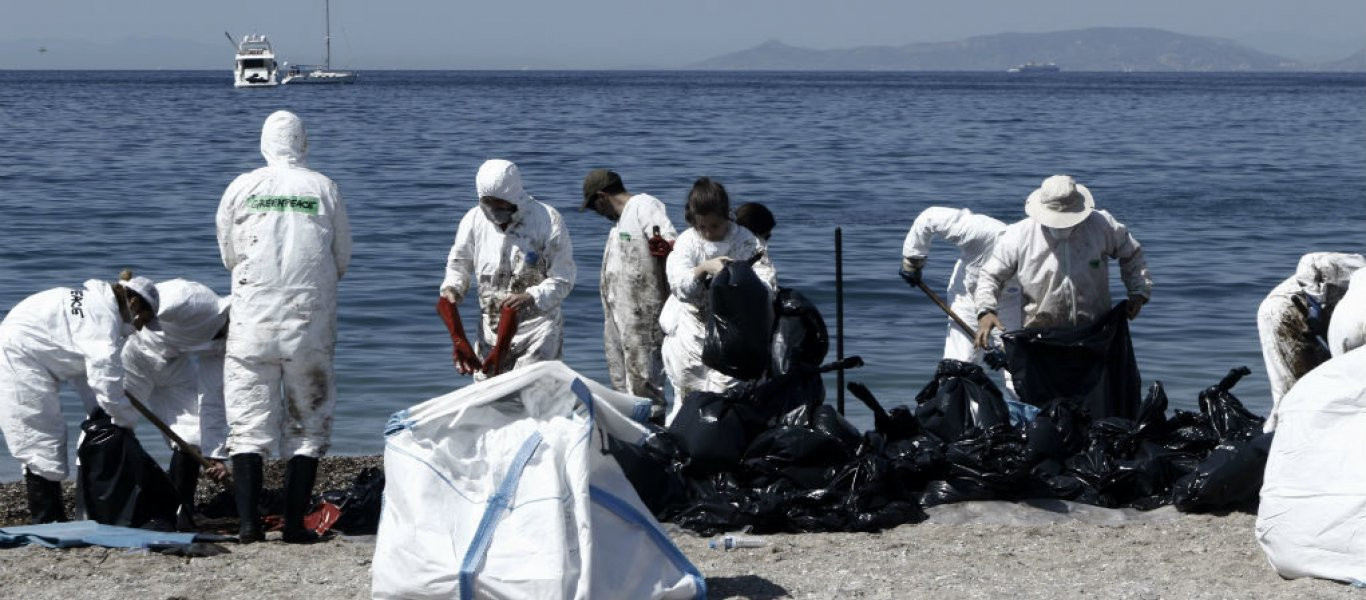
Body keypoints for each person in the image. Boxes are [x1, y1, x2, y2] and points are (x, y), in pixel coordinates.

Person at [216, 110, 351, 544]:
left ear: (264, 143)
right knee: (308, 426)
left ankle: (249, 526)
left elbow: (228, 254)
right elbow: (341, 256)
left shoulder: (242, 187)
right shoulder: (324, 188)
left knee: (247, 426)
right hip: (308, 325)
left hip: (251, 323)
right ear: (303, 142)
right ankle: (294, 525)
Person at [0, 275, 158, 523]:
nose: (138, 328)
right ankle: (47, 519)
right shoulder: (102, 320)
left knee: (49, 436)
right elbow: (104, 375)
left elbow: (88, 376)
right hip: (19, 356)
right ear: (134, 303)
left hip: (41, 355)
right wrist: (125, 419)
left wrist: (103, 414)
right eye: (143, 320)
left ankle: (52, 519)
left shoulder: (96, 307)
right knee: (39, 438)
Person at [974, 175, 1152, 346]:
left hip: (1096, 331)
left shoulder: (1102, 225)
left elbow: (1132, 254)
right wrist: (986, 310)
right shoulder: (1019, 235)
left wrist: (1138, 291)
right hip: (1040, 334)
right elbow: (990, 275)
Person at [441, 159, 575, 379]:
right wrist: (452, 289)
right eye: (487, 204)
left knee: (534, 394)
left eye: (500, 205)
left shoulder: (547, 220)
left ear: (514, 198)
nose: (494, 211)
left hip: (536, 330)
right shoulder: (473, 220)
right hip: (490, 331)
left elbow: (564, 278)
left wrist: (530, 296)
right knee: (490, 399)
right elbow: (458, 265)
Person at [660, 178, 777, 424]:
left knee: (729, 401)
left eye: (715, 225)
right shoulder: (688, 242)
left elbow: (767, 286)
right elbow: (680, 286)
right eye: (702, 226)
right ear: (693, 221)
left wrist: (738, 279)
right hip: (693, 331)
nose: (709, 232)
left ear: (727, 216)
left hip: (735, 332)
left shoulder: (745, 241)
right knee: (689, 399)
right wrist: (703, 269)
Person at [120, 276, 232, 523]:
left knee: (192, 434)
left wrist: (216, 455)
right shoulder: (193, 301)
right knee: (115, 422)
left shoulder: (222, 349)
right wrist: (136, 313)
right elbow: (147, 294)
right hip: (136, 355)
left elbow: (211, 399)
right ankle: (102, 497)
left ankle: (181, 510)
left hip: (170, 364)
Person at [582, 169, 675, 421]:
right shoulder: (618, 225)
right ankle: (628, 428)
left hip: (643, 313)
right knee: (621, 381)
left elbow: (669, 245)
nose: (597, 213)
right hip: (617, 314)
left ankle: (652, 430)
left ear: (602, 197)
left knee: (645, 382)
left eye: (594, 207)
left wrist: (665, 249)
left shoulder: (643, 206)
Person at [900, 206, 1023, 397]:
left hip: (1011, 299)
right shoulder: (979, 231)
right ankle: (957, 418)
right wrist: (913, 261)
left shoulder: (1039, 253)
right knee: (959, 366)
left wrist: (1007, 354)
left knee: (1017, 373)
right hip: (967, 295)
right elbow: (929, 217)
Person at [1257, 251, 1364, 432]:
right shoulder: (1357, 265)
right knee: (1291, 392)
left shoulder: (1357, 287)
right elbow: (1309, 261)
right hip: (1284, 312)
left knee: (1320, 385)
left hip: (1319, 320)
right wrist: (1316, 303)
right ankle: (1274, 439)